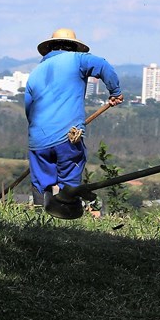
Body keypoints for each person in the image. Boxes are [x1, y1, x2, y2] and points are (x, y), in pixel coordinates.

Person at [24, 28, 123, 217]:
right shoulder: (77, 59)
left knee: (39, 181)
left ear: (50, 48)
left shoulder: (35, 73)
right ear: (73, 47)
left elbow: (29, 108)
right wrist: (115, 92)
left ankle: (37, 219)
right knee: (69, 178)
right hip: (68, 136)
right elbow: (102, 65)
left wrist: (40, 133)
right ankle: (66, 217)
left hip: (38, 139)